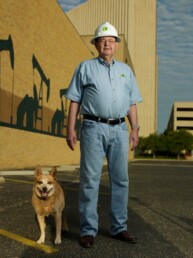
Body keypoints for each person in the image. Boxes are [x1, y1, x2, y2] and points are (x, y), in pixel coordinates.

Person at [65, 21, 142, 248]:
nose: (107, 44)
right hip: (92, 128)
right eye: (102, 40)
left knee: (121, 180)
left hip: (120, 129)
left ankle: (119, 227)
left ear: (116, 45)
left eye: (111, 40)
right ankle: (88, 230)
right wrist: (70, 129)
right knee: (90, 180)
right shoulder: (84, 67)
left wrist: (135, 128)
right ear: (96, 44)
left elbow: (132, 103)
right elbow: (74, 101)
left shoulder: (126, 71)